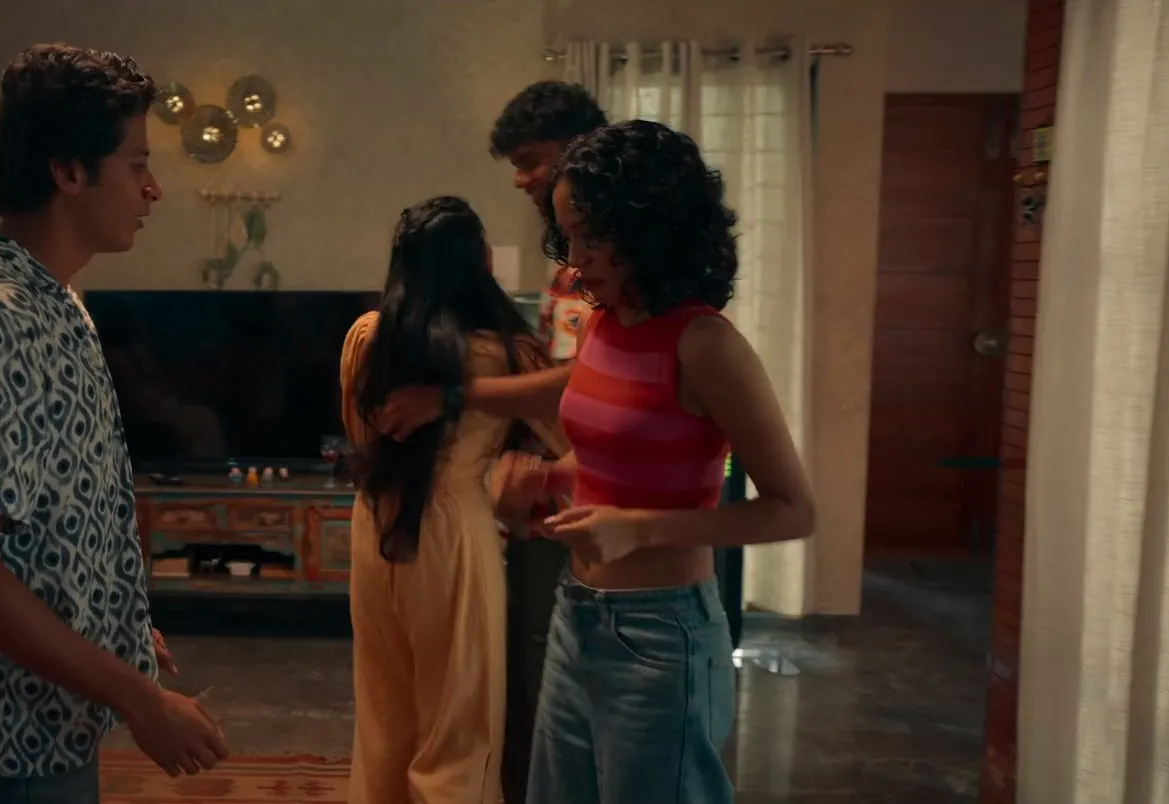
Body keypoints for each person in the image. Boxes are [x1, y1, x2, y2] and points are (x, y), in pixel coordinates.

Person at [0, 42, 228, 802]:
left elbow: (51, 510)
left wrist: (116, 623)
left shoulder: (55, 297)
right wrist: (139, 699)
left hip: (50, 703)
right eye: (137, 164)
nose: (154, 189)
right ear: (69, 173)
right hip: (0, 717)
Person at [492, 121, 815, 802]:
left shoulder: (707, 345)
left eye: (592, 237)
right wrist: (549, 478)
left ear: (650, 228)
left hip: (661, 636)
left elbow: (793, 511)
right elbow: (619, 450)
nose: (575, 261)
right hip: (576, 615)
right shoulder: (606, 321)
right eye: (567, 237)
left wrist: (640, 528)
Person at [340, 196, 571, 804]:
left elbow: (361, 435)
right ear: (477, 261)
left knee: (383, 714)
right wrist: (518, 478)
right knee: (457, 727)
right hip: (454, 533)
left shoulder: (368, 339)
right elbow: (572, 436)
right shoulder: (506, 354)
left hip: (374, 524)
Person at [484, 78, 609, 802]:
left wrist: (457, 394)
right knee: (541, 662)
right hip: (559, 485)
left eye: (531, 161)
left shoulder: (606, 263)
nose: (521, 179)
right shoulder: (568, 260)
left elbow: (579, 382)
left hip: (595, 496)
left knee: (559, 671)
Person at [490, 80, 610, 362]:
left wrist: (469, 387)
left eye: (530, 163)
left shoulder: (620, 267)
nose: (519, 181)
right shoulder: (566, 271)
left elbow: (589, 371)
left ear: (579, 153)